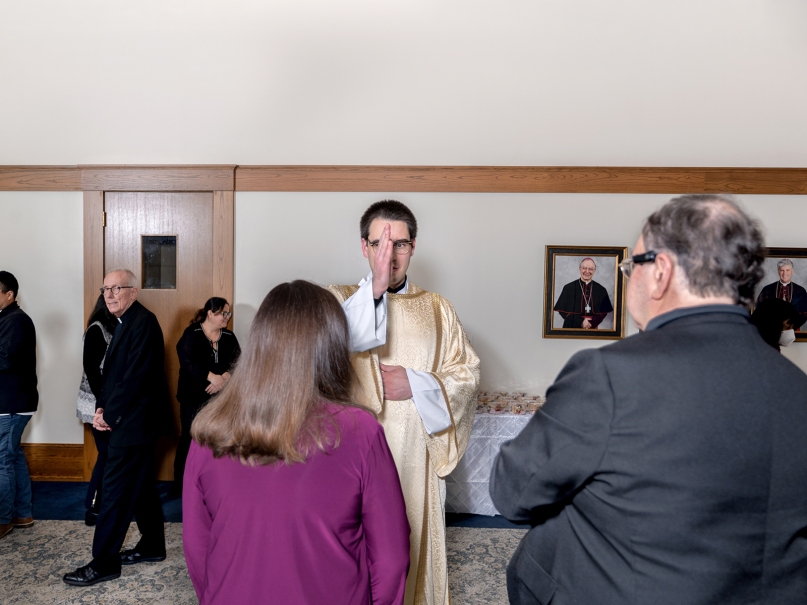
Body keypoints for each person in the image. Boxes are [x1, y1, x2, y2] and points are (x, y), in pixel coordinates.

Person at [490, 195, 807, 605]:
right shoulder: (797, 388)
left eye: (630, 266)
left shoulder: (609, 375)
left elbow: (514, 493)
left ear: (660, 271)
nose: (626, 278)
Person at [183, 280, 410, 605]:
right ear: (333, 347)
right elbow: (391, 559)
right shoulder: (361, 432)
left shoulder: (208, 432)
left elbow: (197, 549)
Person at [328, 200, 480, 605]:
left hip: (417, 454)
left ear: (413, 248)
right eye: (379, 243)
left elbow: (466, 374)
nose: (388, 256)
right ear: (363, 246)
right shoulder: (338, 301)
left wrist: (416, 384)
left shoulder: (438, 309)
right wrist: (375, 290)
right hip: (352, 452)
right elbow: (326, 359)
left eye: (399, 245)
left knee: (409, 543)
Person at [64, 269, 170, 586]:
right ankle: (153, 545)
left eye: (117, 288)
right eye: (106, 289)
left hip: (134, 423)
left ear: (134, 291)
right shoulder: (125, 322)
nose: (110, 294)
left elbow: (134, 378)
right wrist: (101, 407)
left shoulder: (143, 322)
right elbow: (112, 376)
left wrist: (108, 415)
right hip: (129, 419)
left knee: (114, 493)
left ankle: (104, 563)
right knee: (141, 486)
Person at [171, 297, 240, 495]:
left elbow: (238, 361)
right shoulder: (192, 333)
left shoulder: (228, 336)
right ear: (211, 313)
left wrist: (224, 379)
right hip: (193, 397)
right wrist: (212, 378)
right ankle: (180, 485)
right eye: (224, 313)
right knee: (189, 438)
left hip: (220, 399)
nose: (227, 317)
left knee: (218, 440)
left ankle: (215, 485)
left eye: (228, 313)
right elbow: (186, 361)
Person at [0, 271, 38, 540]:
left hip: (10, 402)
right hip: (14, 401)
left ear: (9, 294)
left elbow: (5, 361)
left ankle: (3, 520)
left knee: (2, 460)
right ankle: (22, 513)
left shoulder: (16, 321)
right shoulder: (9, 319)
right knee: (12, 455)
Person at [76, 294, 118, 526]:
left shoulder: (119, 325)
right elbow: (92, 371)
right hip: (97, 402)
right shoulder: (97, 328)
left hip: (109, 401)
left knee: (110, 454)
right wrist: (104, 405)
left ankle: (102, 503)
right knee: (106, 454)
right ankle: (93, 507)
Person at [553, 257, 614, 328]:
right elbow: (562, 311)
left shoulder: (601, 289)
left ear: (594, 271)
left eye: (591, 269)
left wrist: (592, 322)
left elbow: (603, 313)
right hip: (571, 327)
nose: (587, 271)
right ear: (580, 269)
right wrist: (581, 321)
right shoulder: (568, 288)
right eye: (584, 268)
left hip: (592, 327)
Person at [756, 258, 807, 326]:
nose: (785, 273)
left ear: (792, 271)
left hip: (793, 329)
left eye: (787, 270)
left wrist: (791, 326)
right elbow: (759, 310)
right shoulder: (767, 289)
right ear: (778, 272)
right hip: (771, 330)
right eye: (782, 270)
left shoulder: (800, 291)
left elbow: (805, 313)